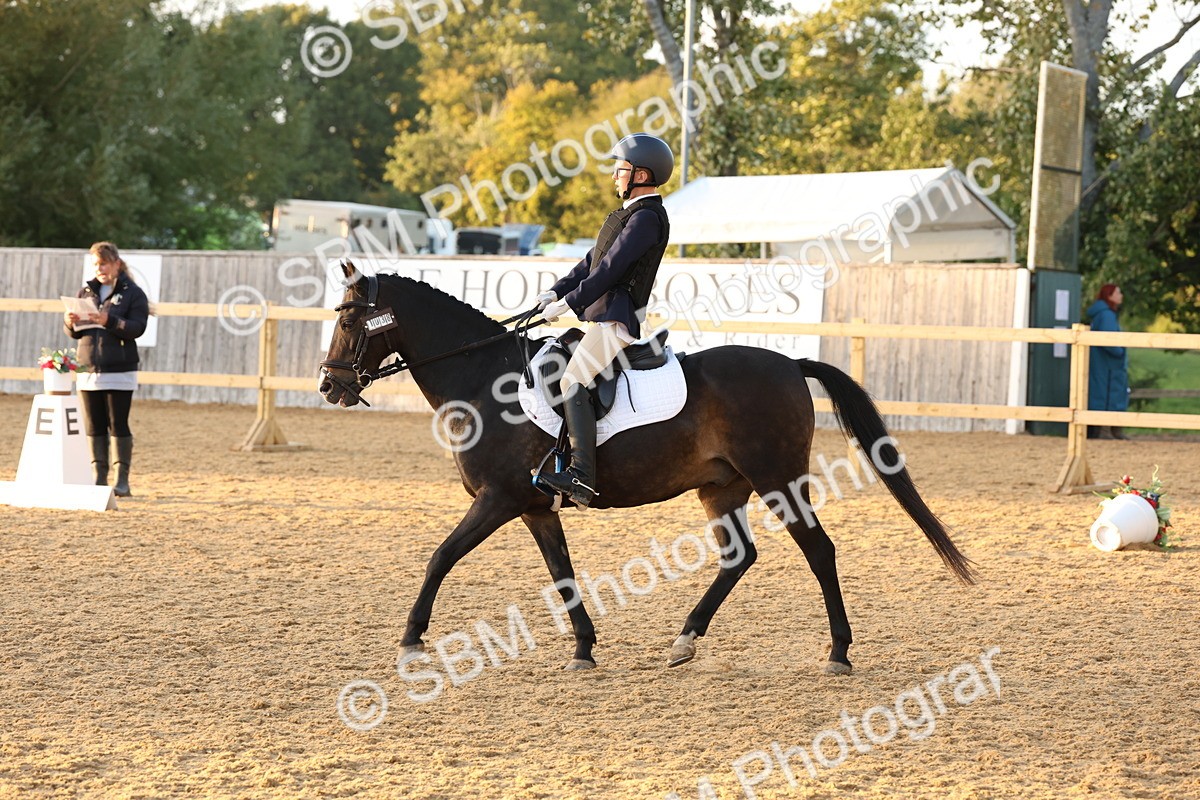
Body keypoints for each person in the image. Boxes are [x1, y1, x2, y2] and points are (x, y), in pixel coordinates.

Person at [536, 133, 674, 507]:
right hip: (601, 316)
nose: (615, 176)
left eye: (621, 170)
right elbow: (591, 262)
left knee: (571, 381)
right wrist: (555, 291)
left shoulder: (647, 218)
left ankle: (581, 477)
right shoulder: (627, 215)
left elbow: (611, 271)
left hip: (617, 318)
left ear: (641, 175)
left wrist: (569, 302)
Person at [64, 242, 150, 495]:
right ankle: (99, 478)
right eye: (96, 264)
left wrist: (109, 320)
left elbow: (137, 328)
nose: (99, 269)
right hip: (88, 368)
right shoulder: (86, 292)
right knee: (94, 426)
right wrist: (69, 323)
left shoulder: (134, 294)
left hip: (120, 369)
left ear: (116, 264)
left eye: (103, 263)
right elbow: (75, 334)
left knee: (118, 424)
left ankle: (122, 481)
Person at [1085, 283, 1129, 440]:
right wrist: (1120, 351)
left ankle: (1107, 429)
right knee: (1110, 394)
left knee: (1103, 393)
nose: (1121, 295)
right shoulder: (1107, 316)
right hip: (1109, 364)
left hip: (1103, 363)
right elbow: (1109, 340)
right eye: (1118, 292)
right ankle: (1106, 429)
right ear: (1110, 296)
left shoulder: (1103, 314)